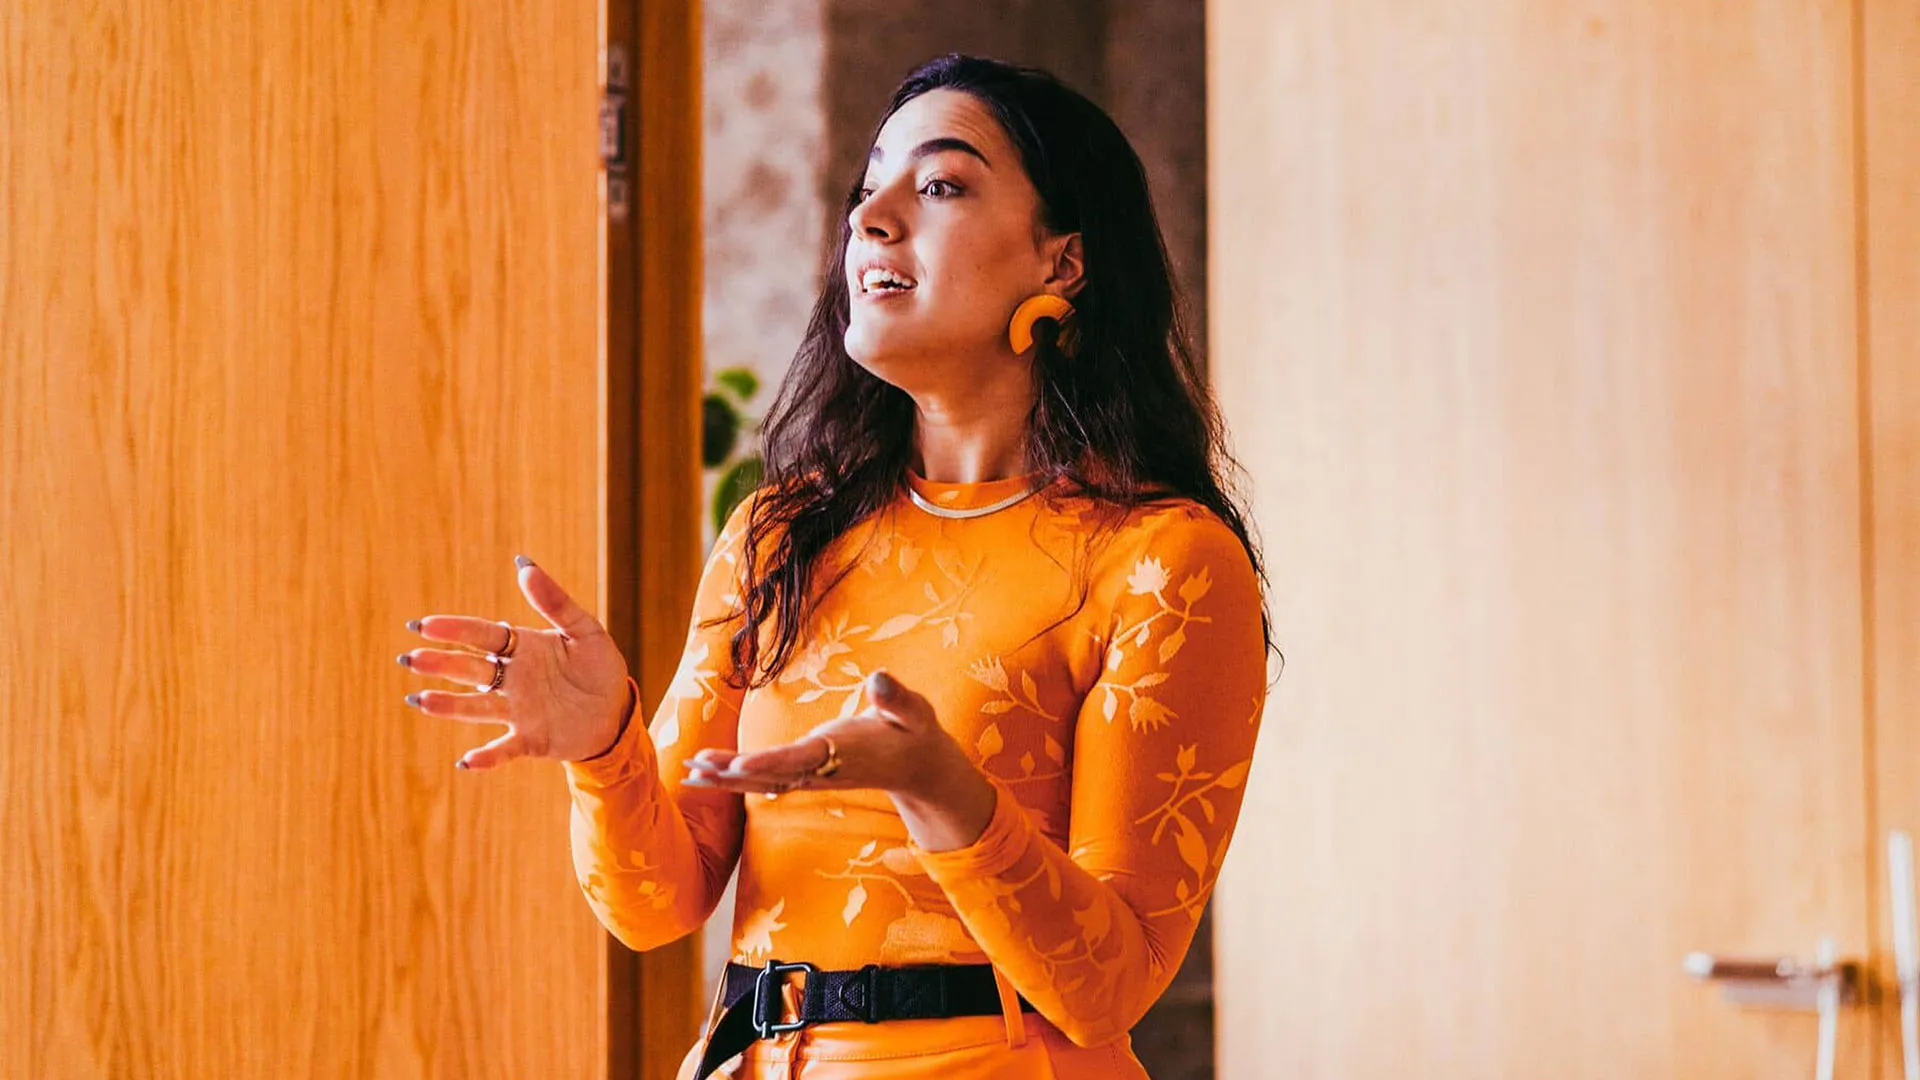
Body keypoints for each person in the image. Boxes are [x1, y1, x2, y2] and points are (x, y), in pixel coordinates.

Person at [398, 53, 1271, 1080]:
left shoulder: (1164, 562)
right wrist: (604, 747)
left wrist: (947, 795)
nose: (873, 218)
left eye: (939, 185)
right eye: (866, 191)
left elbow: (1109, 985)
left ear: (1062, 265)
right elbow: (656, 906)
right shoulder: (783, 531)